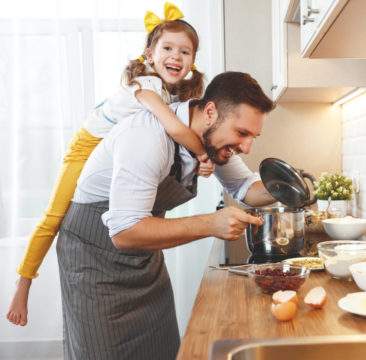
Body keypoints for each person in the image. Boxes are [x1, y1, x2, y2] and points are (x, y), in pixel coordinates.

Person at [7, 2, 215, 327]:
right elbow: (175, 130)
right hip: (87, 146)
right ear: (149, 53)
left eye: (185, 52)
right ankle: (22, 285)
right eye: (168, 48)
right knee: (54, 216)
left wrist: (195, 163)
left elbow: (172, 142)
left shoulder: (171, 95)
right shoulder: (147, 86)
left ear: (192, 62)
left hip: (109, 151)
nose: (176, 56)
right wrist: (204, 153)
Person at [56, 71, 275, 359]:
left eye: (253, 137)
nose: (246, 147)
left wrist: (290, 186)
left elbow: (246, 188)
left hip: (143, 260)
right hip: (94, 261)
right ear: (211, 111)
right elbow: (124, 233)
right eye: (242, 133)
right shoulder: (147, 137)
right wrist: (210, 223)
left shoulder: (209, 139)